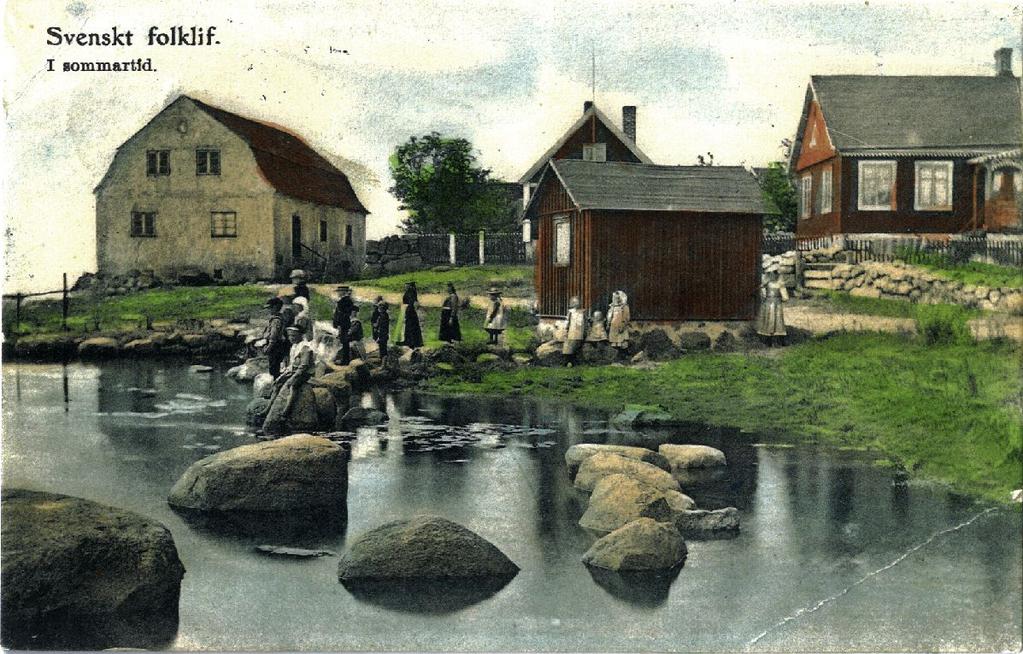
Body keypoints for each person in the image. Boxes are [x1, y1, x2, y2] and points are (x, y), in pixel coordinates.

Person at [262, 326, 316, 436]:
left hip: (303, 373)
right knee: (277, 384)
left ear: (300, 336)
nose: (291, 338)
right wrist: (283, 375)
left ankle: (286, 411)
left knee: (292, 385)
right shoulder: (294, 346)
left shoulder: (305, 348)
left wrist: (293, 377)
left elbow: (304, 366)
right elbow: (291, 365)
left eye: (294, 336)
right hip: (293, 371)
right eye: (290, 336)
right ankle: (268, 408)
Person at [756, 265, 789, 346]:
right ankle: (769, 341)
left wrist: (782, 298)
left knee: (777, 320)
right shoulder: (769, 283)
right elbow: (785, 297)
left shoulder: (778, 283)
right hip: (770, 303)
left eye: (775, 273)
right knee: (771, 320)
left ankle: (779, 341)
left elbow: (785, 296)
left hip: (774, 303)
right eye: (773, 273)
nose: (774, 275)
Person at [260, 297, 289, 378]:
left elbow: (273, 336)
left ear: (275, 307)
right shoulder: (281, 317)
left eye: (270, 308)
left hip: (276, 346)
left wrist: (268, 347)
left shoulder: (276, 320)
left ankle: (275, 384)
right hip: (279, 345)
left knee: (274, 368)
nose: (269, 310)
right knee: (276, 366)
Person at [395, 281, 424, 348]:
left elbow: (411, 302)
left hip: (410, 310)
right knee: (409, 326)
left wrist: (407, 308)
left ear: (409, 285)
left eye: (406, 284)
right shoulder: (411, 291)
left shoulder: (410, 292)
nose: (405, 286)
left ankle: (411, 341)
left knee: (410, 326)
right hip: (409, 310)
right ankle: (410, 341)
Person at [333, 285, 355, 364]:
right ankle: (345, 359)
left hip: (343, 324)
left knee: (344, 342)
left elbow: (342, 315)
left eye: (339, 291)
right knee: (344, 342)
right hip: (344, 323)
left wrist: (339, 326)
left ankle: (345, 360)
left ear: (343, 292)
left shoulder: (344, 301)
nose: (338, 293)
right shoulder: (346, 300)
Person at [562, 296, 587, 365]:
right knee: (569, 347)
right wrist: (566, 330)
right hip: (572, 331)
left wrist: (585, 331)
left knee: (577, 346)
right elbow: (567, 321)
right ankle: (568, 361)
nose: (577, 304)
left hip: (580, 332)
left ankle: (575, 361)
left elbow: (585, 322)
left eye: (578, 302)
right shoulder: (570, 312)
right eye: (575, 302)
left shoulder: (582, 312)